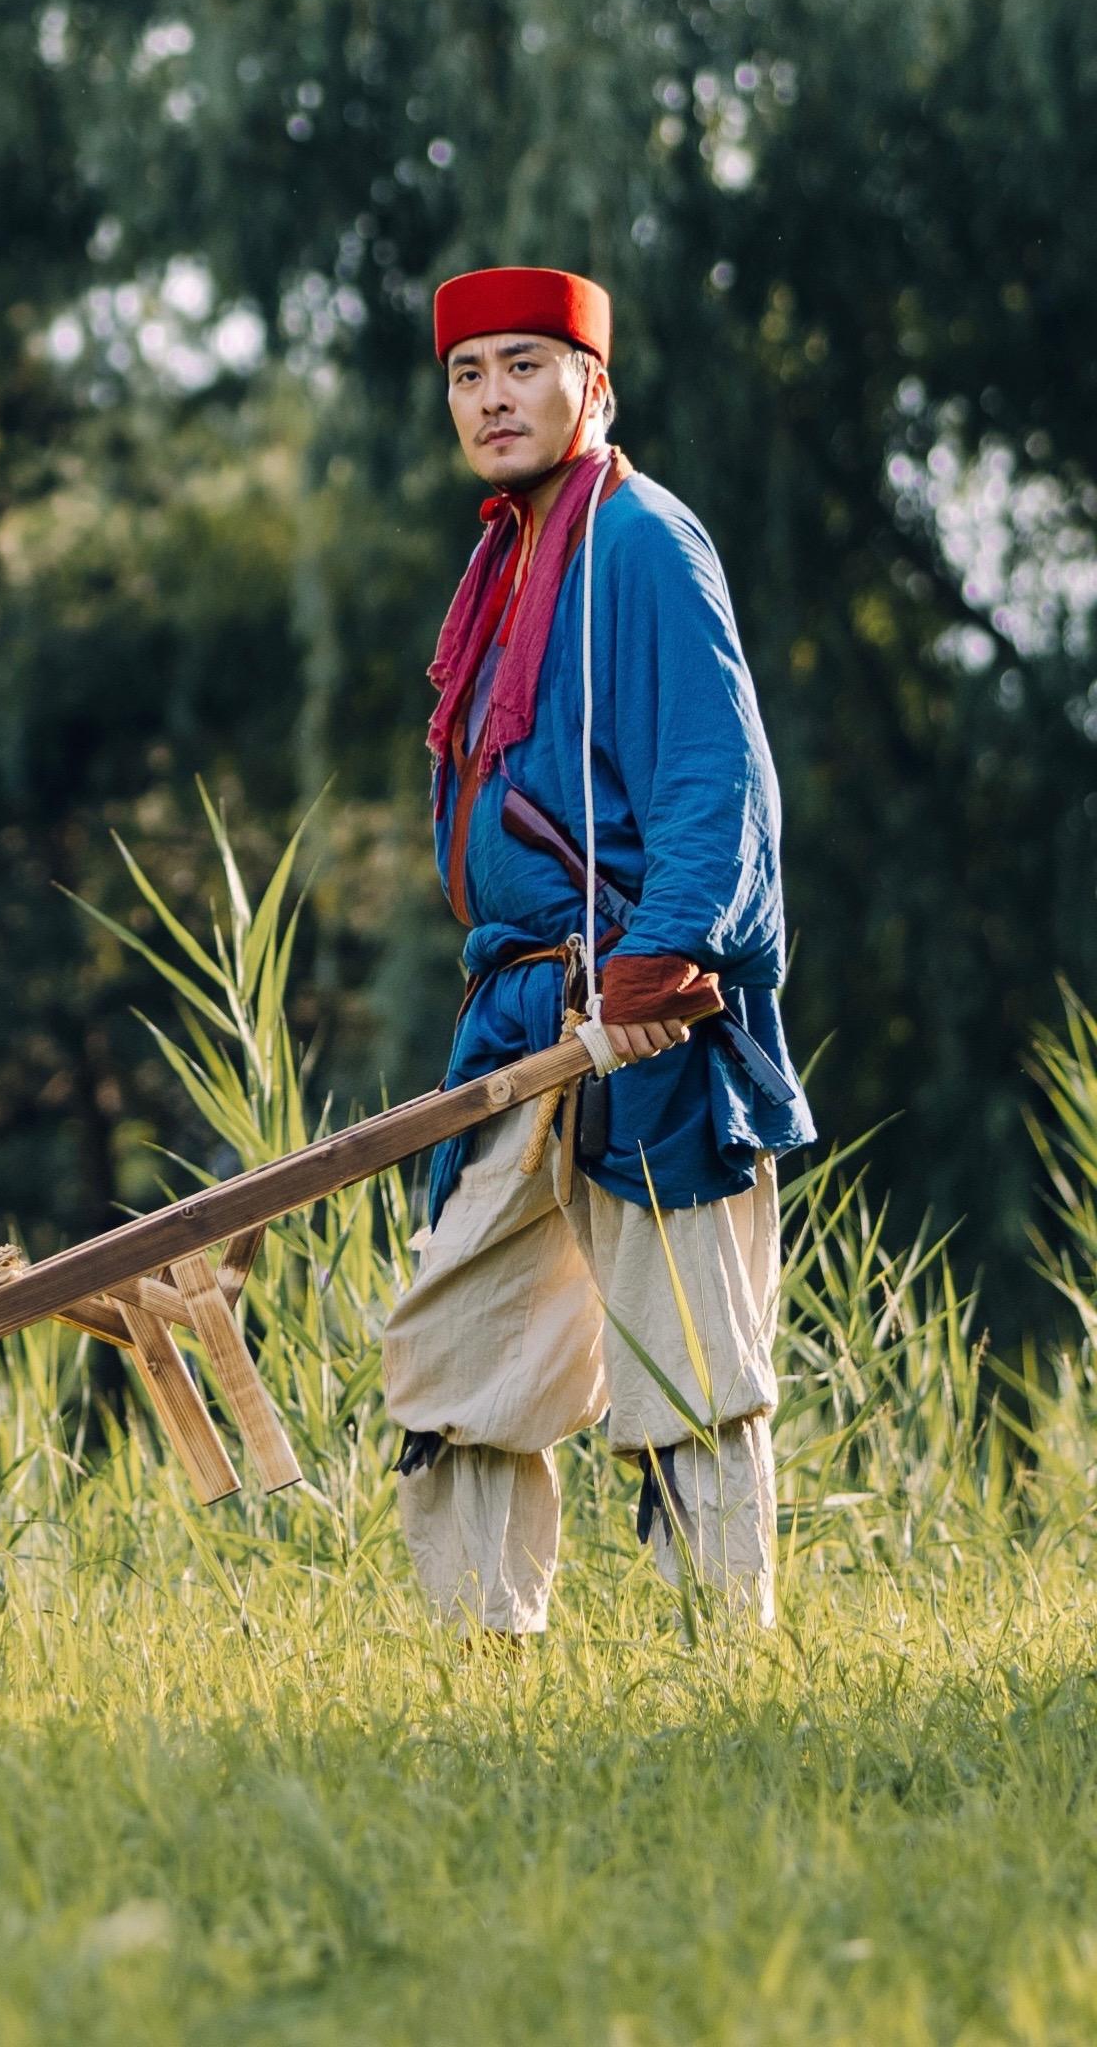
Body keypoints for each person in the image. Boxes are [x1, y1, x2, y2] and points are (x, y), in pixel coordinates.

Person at [380, 265, 814, 1634]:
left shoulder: (641, 541)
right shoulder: (506, 559)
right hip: (519, 1018)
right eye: (468, 373)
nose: (493, 396)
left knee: (688, 1364)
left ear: (594, 385)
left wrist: (663, 959)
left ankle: (721, 1684)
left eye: (524, 365)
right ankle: (478, 1681)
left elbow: (716, 772)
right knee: (457, 1355)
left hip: (646, 1016)